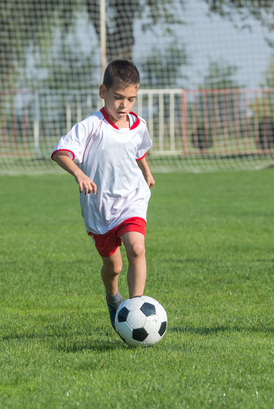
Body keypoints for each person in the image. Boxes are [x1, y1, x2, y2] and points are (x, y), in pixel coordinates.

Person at [51, 59, 155, 332]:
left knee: (136, 248)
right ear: (103, 92)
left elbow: (138, 150)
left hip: (132, 199)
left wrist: (146, 172)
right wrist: (79, 174)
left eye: (131, 99)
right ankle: (113, 298)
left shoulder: (138, 124)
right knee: (114, 267)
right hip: (100, 208)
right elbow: (61, 152)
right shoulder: (91, 125)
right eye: (118, 98)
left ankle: (135, 309)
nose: (124, 106)